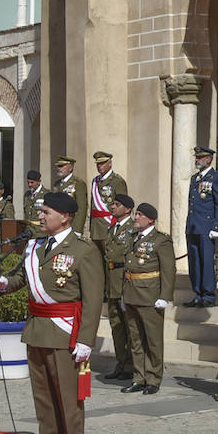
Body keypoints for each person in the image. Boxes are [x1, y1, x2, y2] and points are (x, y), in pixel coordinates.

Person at [0, 191, 103, 434]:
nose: (40, 216)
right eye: (41, 211)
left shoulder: (83, 250)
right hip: (37, 329)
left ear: (64, 217)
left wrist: (86, 340)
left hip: (65, 332)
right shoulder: (36, 247)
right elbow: (25, 278)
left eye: (47, 212)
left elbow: (92, 300)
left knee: (68, 398)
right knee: (43, 397)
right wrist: (6, 283)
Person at [121, 202, 175, 394]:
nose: (136, 217)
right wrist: (123, 294)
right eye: (136, 214)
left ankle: (153, 378)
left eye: (140, 215)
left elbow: (168, 270)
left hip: (150, 295)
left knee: (153, 340)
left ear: (150, 219)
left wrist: (165, 296)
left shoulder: (161, 240)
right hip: (131, 293)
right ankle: (139, 377)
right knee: (135, 340)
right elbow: (127, 267)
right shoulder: (133, 237)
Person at [101, 193, 137, 381]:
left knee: (128, 325)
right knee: (116, 325)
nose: (112, 206)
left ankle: (131, 365)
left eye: (117, 204)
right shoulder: (112, 227)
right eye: (113, 203)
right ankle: (121, 363)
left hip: (124, 280)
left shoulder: (132, 229)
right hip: (111, 280)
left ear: (128, 209)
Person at [183, 146, 218, 307]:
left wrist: (216, 225)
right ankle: (198, 293)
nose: (197, 160)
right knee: (194, 262)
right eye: (197, 157)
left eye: (200, 157)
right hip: (193, 226)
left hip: (207, 226)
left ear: (209, 159)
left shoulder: (215, 178)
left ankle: (208, 295)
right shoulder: (195, 178)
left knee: (207, 261)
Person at [88, 151, 128, 263]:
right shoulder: (95, 181)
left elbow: (123, 205)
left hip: (109, 225)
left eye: (103, 163)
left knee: (110, 259)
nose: (100, 166)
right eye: (98, 164)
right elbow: (93, 206)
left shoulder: (117, 181)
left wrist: (118, 226)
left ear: (110, 164)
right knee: (97, 261)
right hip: (96, 227)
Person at [53, 155, 89, 238]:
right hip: (59, 226)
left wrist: (77, 229)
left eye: (62, 166)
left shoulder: (78, 183)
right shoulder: (57, 184)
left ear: (71, 168)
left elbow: (82, 208)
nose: (59, 169)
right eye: (58, 166)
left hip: (72, 225)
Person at [21, 169, 47, 235]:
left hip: (40, 233)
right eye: (28, 182)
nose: (29, 185)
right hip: (28, 232)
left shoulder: (46, 194)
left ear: (39, 181)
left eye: (32, 182)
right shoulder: (27, 195)